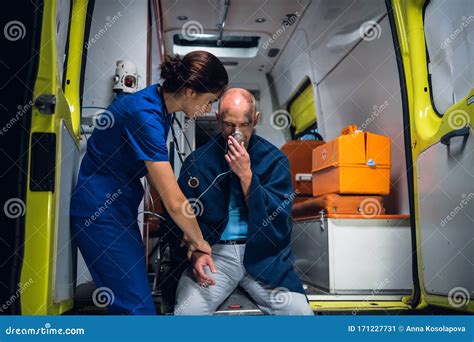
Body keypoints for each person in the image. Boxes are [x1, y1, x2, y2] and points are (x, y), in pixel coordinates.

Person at [70, 51, 229, 315]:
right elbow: (175, 201)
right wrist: (201, 243)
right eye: (210, 101)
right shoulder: (144, 114)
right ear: (190, 91)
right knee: (137, 312)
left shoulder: (159, 108)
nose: (209, 110)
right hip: (99, 214)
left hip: (119, 212)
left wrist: (191, 239)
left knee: (136, 306)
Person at [167, 88, 313, 315]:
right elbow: (180, 221)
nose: (236, 133)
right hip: (214, 256)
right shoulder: (197, 162)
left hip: (263, 256)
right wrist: (195, 253)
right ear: (217, 119)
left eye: (244, 125)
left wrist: (247, 176)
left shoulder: (275, 161)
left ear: (255, 119)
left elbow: (280, 223)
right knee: (187, 313)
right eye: (228, 125)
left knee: (299, 313)